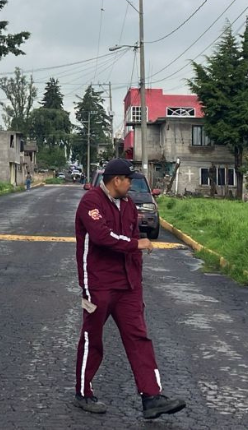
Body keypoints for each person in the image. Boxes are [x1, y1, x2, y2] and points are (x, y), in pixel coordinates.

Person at [73, 158, 187, 419]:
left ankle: (152, 397)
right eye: (128, 180)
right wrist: (137, 245)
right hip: (98, 285)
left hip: (128, 286)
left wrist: (137, 277)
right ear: (116, 181)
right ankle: (83, 392)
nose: (130, 185)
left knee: (139, 338)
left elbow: (134, 237)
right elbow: (103, 237)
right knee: (93, 338)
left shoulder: (128, 206)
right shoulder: (91, 202)